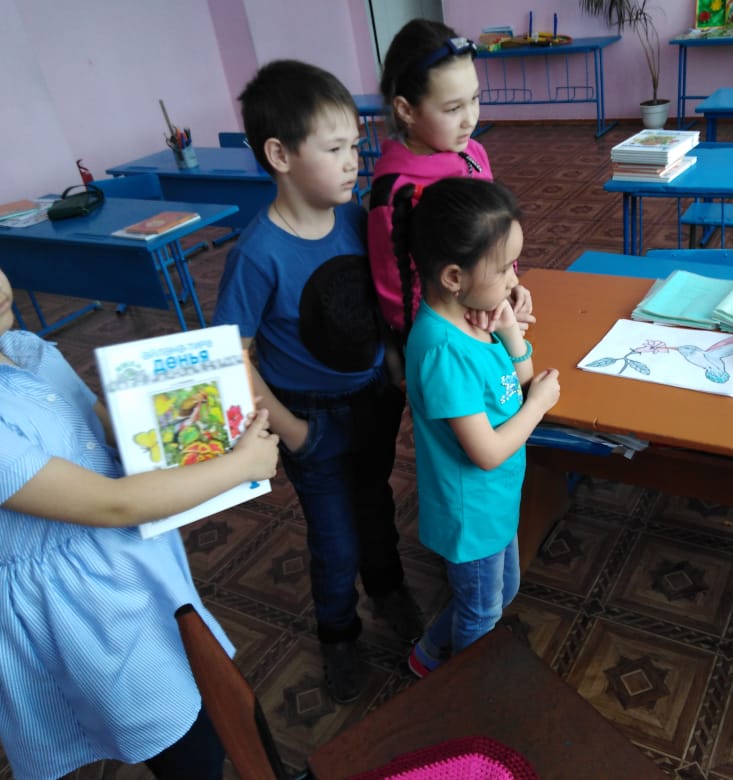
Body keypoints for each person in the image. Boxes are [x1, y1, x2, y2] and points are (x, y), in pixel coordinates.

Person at [0, 204, 280, 780]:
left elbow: (103, 428)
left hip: (129, 564)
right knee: (183, 739)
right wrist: (238, 467)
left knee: (212, 690)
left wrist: (191, 417)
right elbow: (111, 503)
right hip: (80, 604)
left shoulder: (27, 349)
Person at [211, 59, 422, 705]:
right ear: (280, 155)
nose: (353, 161)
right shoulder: (258, 254)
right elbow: (231, 357)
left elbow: (384, 299)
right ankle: (338, 634)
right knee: (334, 540)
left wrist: (393, 367)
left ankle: (388, 588)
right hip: (311, 421)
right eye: (334, 149)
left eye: (354, 145)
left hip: (373, 400)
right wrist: (293, 430)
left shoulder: (356, 219)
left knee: (376, 504)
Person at [390, 177, 561, 677]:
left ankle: (426, 656)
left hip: (496, 501)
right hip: (471, 514)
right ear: (453, 276)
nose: (514, 280)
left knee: (498, 595)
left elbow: (520, 381)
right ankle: (466, 695)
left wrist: (510, 334)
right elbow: (486, 451)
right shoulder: (444, 350)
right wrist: (538, 408)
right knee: (482, 612)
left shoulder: (475, 317)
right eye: (504, 268)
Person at [368, 19, 534, 361]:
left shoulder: (473, 153)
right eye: (453, 108)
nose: (470, 118)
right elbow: (398, 301)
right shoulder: (395, 193)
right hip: (449, 345)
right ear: (406, 110)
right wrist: (471, 323)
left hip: (493, 320)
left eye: (475, 99)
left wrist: (509, 287)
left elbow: (495, 233)